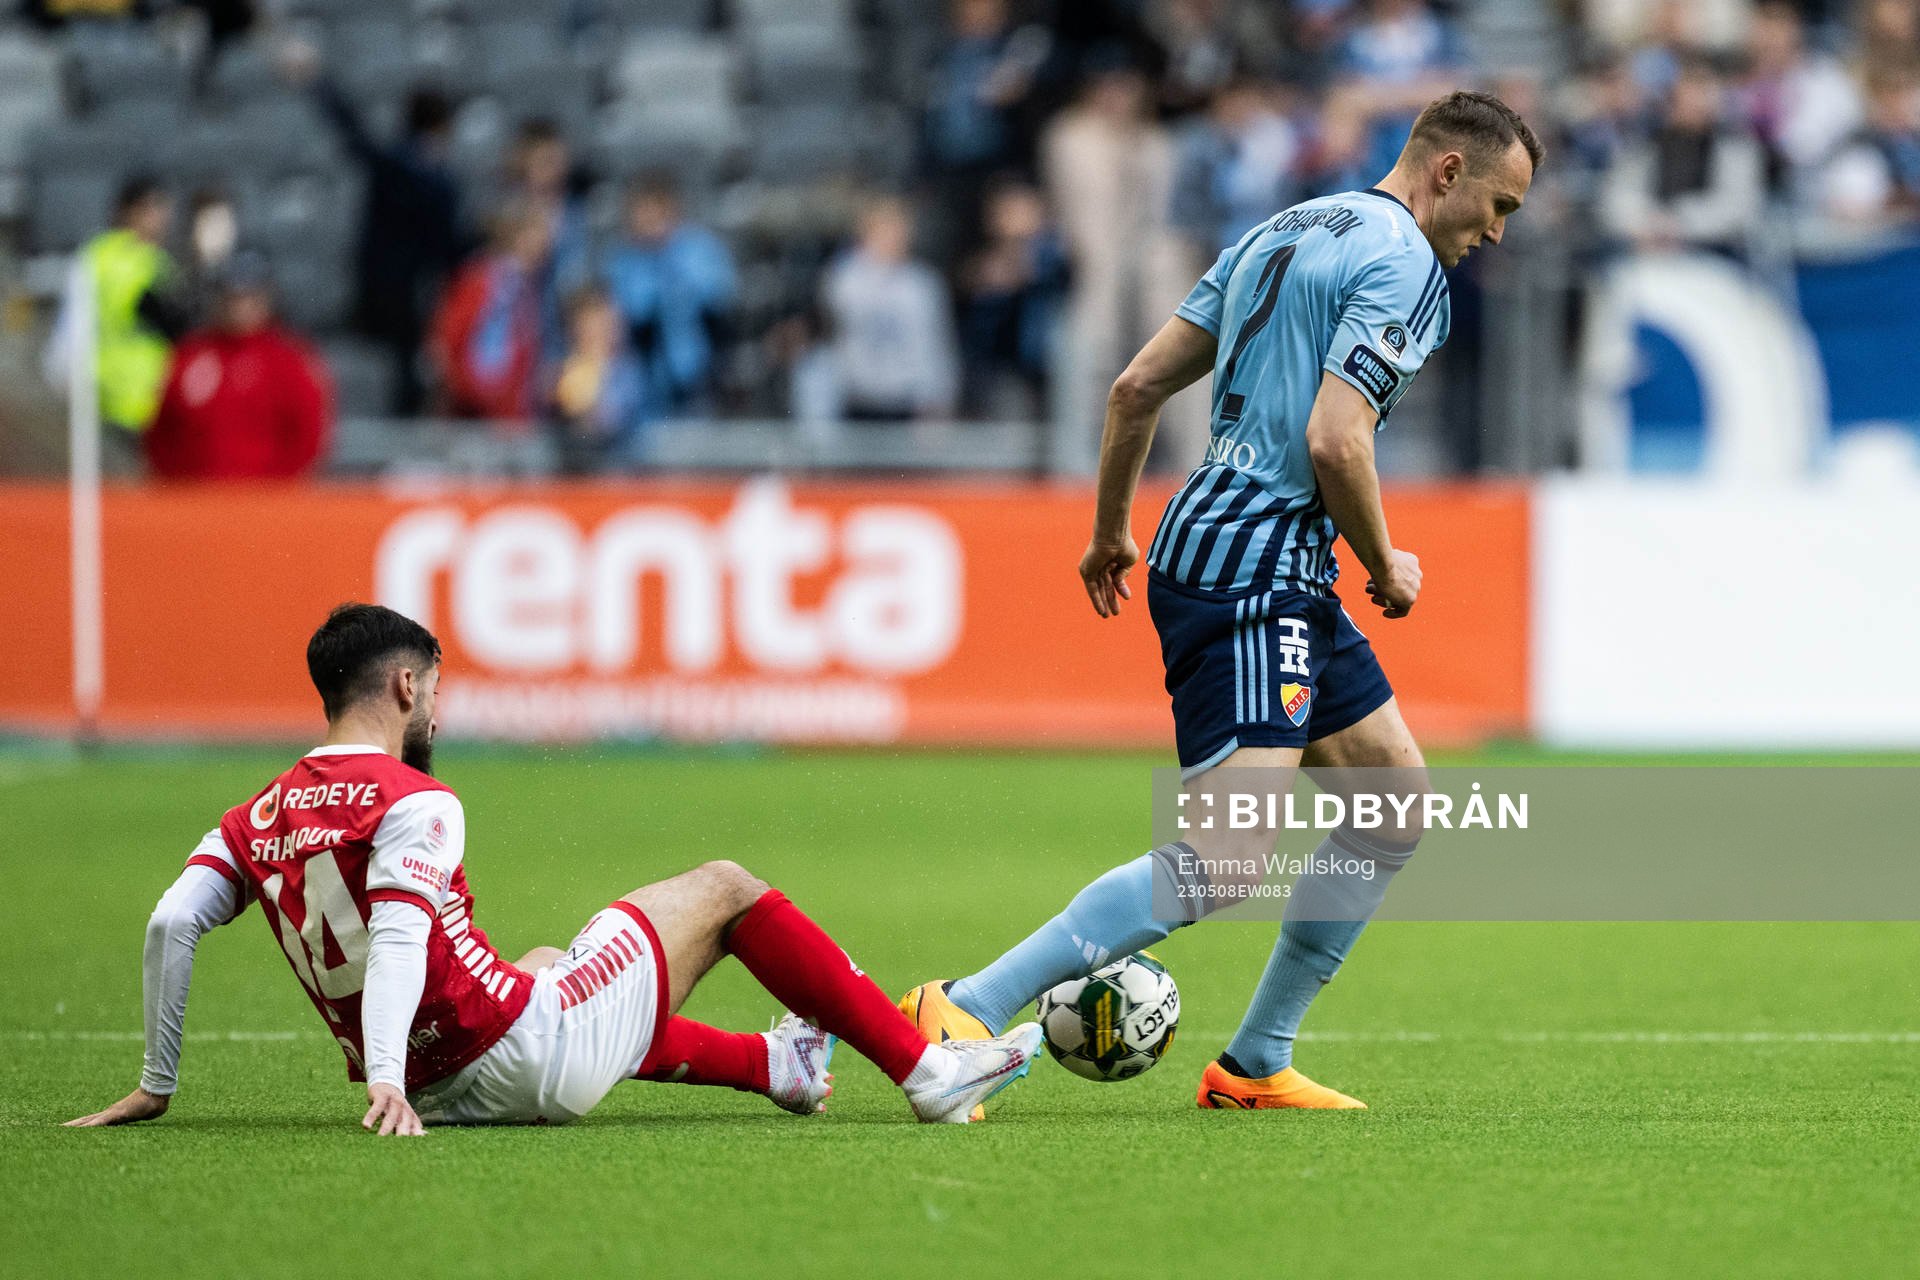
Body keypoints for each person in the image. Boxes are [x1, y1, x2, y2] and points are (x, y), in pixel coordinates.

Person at [899, 91, 1540, 1112]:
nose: (1497, 231)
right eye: (1499, 203)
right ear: (1449, 173)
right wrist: (1386, 564)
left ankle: (1253, 1063)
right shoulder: (1409, 266)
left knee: (1392, 803)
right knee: (1229, 852)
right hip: (1260, 565)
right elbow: (1338, 440)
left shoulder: (1279, 229)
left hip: (1236, 548)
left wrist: (1111, 529)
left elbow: (1134, 388)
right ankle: (965, 1005)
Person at [66, 604, 1043, 1135]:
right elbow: (403, 930)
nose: (437, 710)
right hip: (509, 1056)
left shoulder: (258, 813)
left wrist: (159, 1080)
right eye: (435, 688)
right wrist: (393, 1079)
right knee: (726, 887)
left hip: (445, 1083)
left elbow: (170, 923)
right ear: (406, 685)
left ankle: (774, 1062)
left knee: (544, 953)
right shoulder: (415, 797)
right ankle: (928, 1072)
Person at [279, 37, 467, 415]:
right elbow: (450, 248)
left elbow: (352, 131)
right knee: (403, 372)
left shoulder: (394, 165)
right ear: (443, 127)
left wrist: (317, 81)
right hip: (411, 294)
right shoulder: (439, 181)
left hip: (378, 284)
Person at [144, 254, 332, 479]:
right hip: (195, 501)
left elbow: (308, 434)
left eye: (247, 298)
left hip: (267, 502)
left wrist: (278, 487)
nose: (238, 307)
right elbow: (162, 429)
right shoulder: (192, 354)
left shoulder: (289, 360)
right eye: (230, 297)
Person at [603, 175, 737, 427]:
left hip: (697, 368)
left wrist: (670, 263)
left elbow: (717, 297)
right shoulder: (624, 259)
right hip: (645, 376)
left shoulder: (699, 248)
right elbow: (633, 310)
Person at [820, 196, 960, 422]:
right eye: (886, 228)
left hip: (908, 403)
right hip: (856, 401)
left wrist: (939, 402)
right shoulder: (844, 280)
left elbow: (937, 347)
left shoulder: (922, 284)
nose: (895, 237)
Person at [430, 201, 551, 423]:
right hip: (473, 411)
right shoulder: (481, 279)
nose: (546, 242)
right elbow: (448, 339)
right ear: (518, 235)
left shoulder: (526, 285)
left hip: (507, 413)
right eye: (539, 232)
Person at [548, 284, 645, 472]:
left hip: (618, 475)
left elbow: (609, 419)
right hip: (568, 474)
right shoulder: (560, 366)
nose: (603, 330)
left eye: (607, 322)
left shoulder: (628, 371)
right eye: (593, 323)